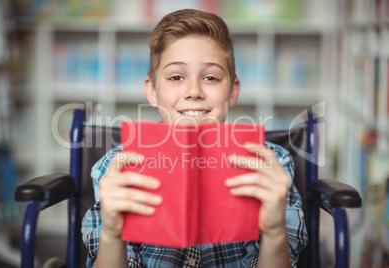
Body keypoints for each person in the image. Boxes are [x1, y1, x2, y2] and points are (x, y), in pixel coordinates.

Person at [82, 9, 307, 268]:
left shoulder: (272, 164)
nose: (194, 91)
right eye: (176, 77)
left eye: (210, 77)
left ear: (233, 92)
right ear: (152, 90)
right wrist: (111, 233)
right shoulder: (117, 168)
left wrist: (275, 231)